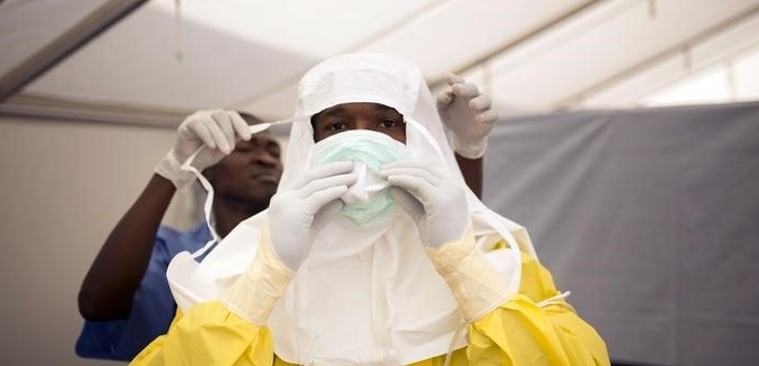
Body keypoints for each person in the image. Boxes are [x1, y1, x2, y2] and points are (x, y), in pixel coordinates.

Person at [131, 53, 610, 365]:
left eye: (386, 123)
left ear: (418, 137)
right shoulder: (248, 263)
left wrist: (462, 265)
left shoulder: (489, 256)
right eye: (337, 126)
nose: (362, 142)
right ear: (308, 142)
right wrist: (268, 274)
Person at [75, 76, 497, 360]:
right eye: (243, 148)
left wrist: (464, 153)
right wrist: (174, 169)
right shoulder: (180, 253)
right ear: (207, 167)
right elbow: (99, 304)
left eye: (272, 149)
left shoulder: (325, 241)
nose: (263, 155)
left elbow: (443, 243)